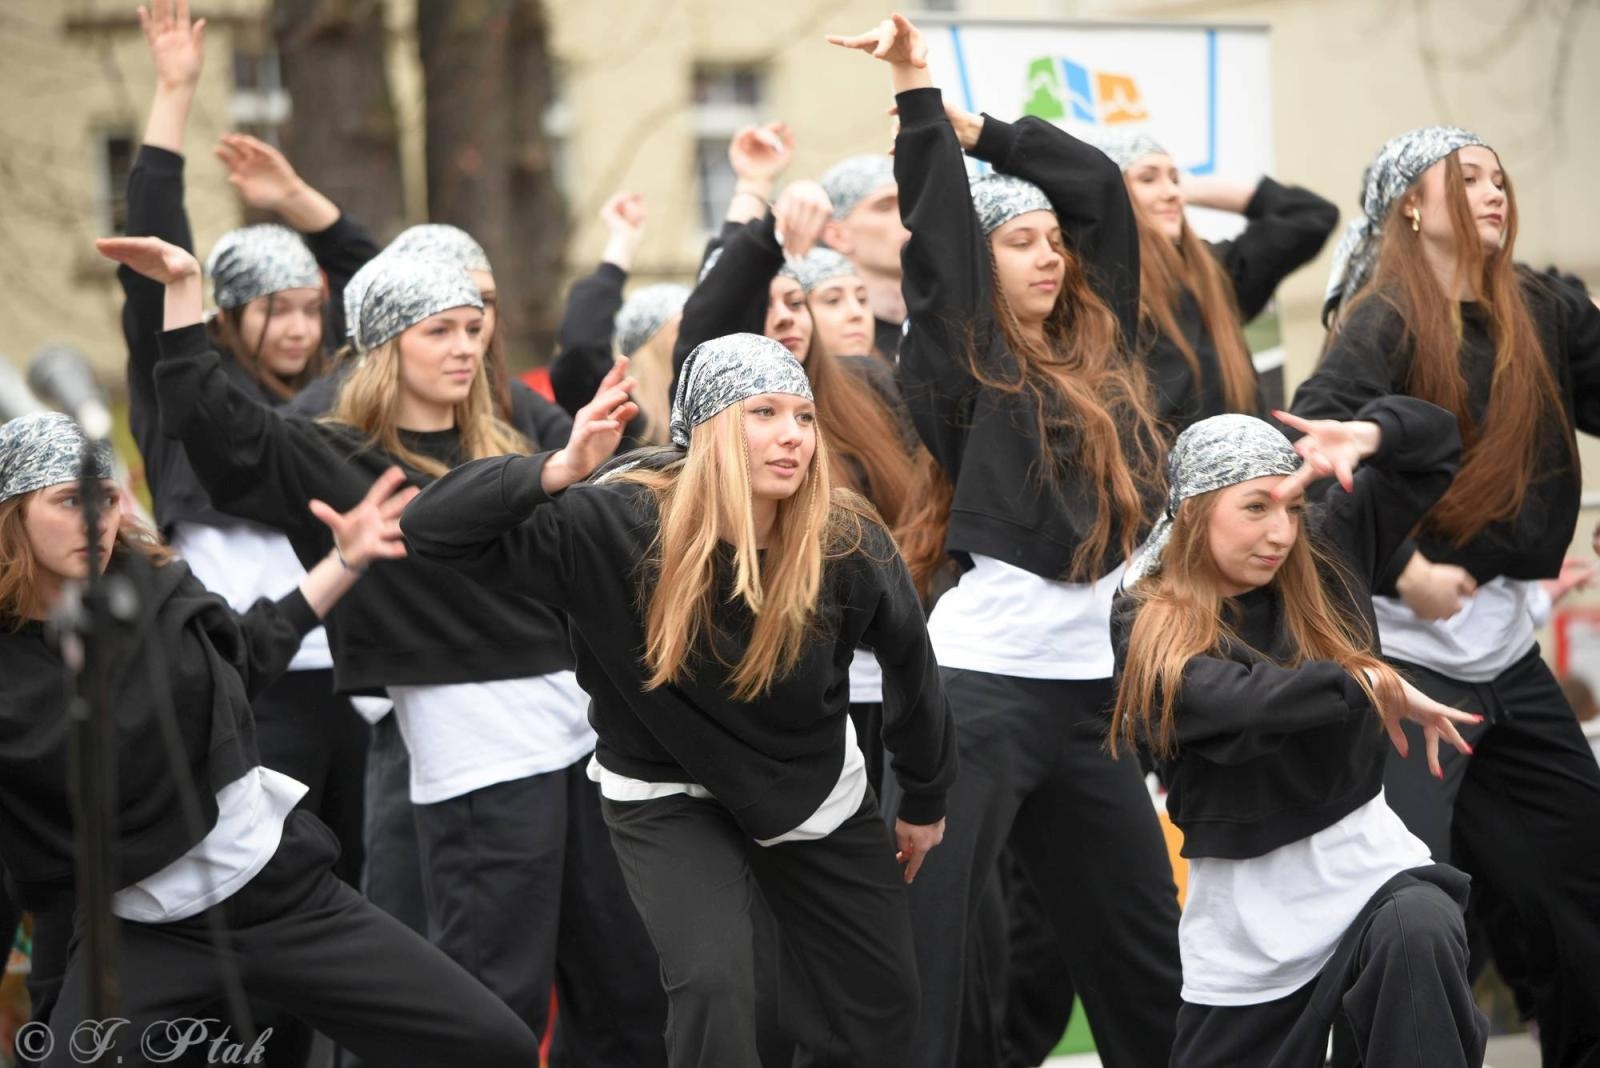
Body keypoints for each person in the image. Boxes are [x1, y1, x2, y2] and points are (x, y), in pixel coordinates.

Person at [97, 235, 668, 1064]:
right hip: (477, 752)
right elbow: (206, 420)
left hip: (586, 736)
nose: (466, 347)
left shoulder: (509, 439)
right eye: (439, 330)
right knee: (489, 995)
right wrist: (183, 295)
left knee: (624, 983)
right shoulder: (329, 452)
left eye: (474, 328)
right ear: (384, 343)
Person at [401, 332, 958, 1068]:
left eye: (803, 416)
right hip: (664, 789)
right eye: (763, 412)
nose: (792, 434)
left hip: (809, 786)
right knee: (716, 983)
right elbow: (430, 530)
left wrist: (923, 796)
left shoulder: (844, 539)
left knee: (879, 1003)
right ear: (710, 432)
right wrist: (559, 468)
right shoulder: (617, 525)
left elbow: (911, 666)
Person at [829, 15, 1182, 1066]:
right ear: (978, 266)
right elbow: (935, 230)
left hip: (1088, 700)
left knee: (1141, 955)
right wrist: (916, 90)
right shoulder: (961, 357)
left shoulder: (1100, 348)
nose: (1049, 254)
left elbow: (1103, 195)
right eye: (1019, 241)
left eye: (1051, 242)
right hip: (976, 695)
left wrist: (984, 130)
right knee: (929, 946)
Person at [0, 412, 540, 1068]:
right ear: (12, 515)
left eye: (107, 496)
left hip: (281, 896)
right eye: (66, 500)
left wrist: (345, 560)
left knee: (496, 1046)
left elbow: (248, 650)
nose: (96, 517)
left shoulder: (156, 589)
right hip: (144, 934)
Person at [1291, 126, 1600, 1065]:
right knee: (1408, 900)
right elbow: (1313, 461)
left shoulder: (1541, 307)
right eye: (1465, 178)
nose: (1494, 191)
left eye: (1500, 177)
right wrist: (1402, 572)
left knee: (1579, 882)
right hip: (1402, 660)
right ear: (1410, 208)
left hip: (1505, 652)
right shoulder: (1381, 319)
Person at [1109, 402, 1485, 1066]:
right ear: (1193, 512)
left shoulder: (1329, 556)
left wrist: (1367, 434)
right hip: (1245, 924)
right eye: (1255, 508)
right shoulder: (1146, 614)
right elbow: (1228, 702)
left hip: (1367, 875)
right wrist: (1361, 684)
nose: (1280, 532)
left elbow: (1437, 447)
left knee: (1420, 928)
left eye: (1289, 509)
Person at [1091, 129, 1338, 432]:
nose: (1171, 192)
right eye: (1147, 178)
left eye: (1174, 178)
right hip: (1161, 473)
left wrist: (1190, 190)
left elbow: (1311, 217)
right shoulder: (1100, 288)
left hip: (1247, 468)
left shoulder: (1215, 270)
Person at [548, 190, 688, 449]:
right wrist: (622, 243)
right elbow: (582, 345)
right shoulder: (615, 413)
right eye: (684, 326)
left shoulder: (702, 418)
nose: (699, 334)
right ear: (649, 341)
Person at [819, 153, 908, 357]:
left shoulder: (944, 324)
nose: (907, 218)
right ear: (837, 235)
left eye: (909, 204)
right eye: (884, 207)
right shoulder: (833, 344)